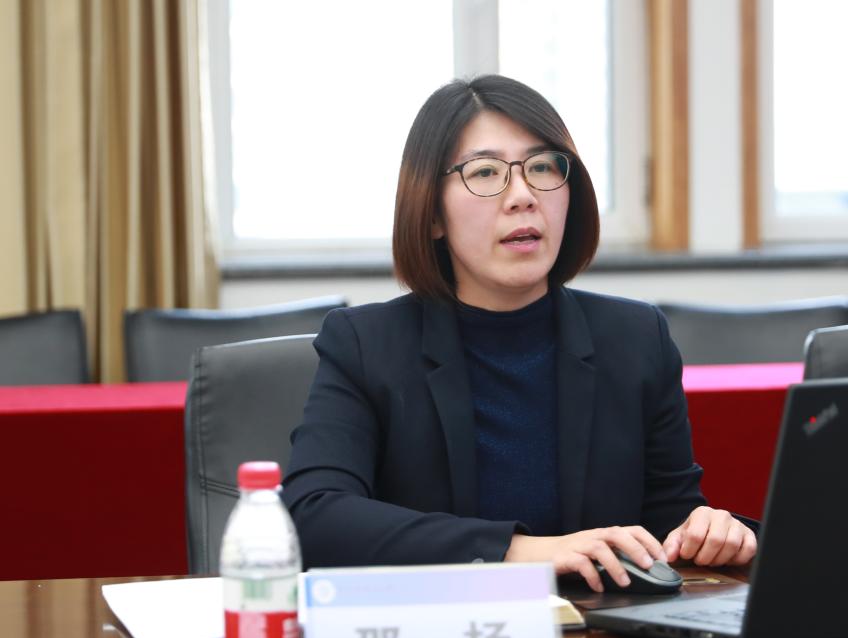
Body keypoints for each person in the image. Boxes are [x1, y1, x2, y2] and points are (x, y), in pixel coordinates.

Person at [282, 75, 756, 593]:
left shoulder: (637, 337)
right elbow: (314, 517)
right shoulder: (366, 345)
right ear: (433, 213)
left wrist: (709, 531)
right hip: (441, 630)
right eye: (485, 172)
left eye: (543, 167)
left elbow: (669, 523)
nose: (523, 196)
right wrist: (521, 551)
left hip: (602, 633)